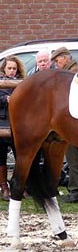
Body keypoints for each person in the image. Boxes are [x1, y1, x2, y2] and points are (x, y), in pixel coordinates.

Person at [51, 47, 78, 203]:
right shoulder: (74, 69)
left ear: (64, 58)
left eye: (57, 61)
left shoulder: (72, 72)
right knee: (74, 157)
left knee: (72, 156)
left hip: (74, 121)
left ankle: (76, 190)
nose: (56, 64)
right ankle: (77, 188)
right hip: (76, 120)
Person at [0, 56, 26, 201]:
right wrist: (5, 100)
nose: (11, 71)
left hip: (17, 125)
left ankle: (20, 186)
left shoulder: (22, 83)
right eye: (9, 68)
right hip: (1, 123)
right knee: (1, 158)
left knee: (20, 156)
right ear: (4, 68)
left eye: (14, 68)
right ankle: (4, 187)